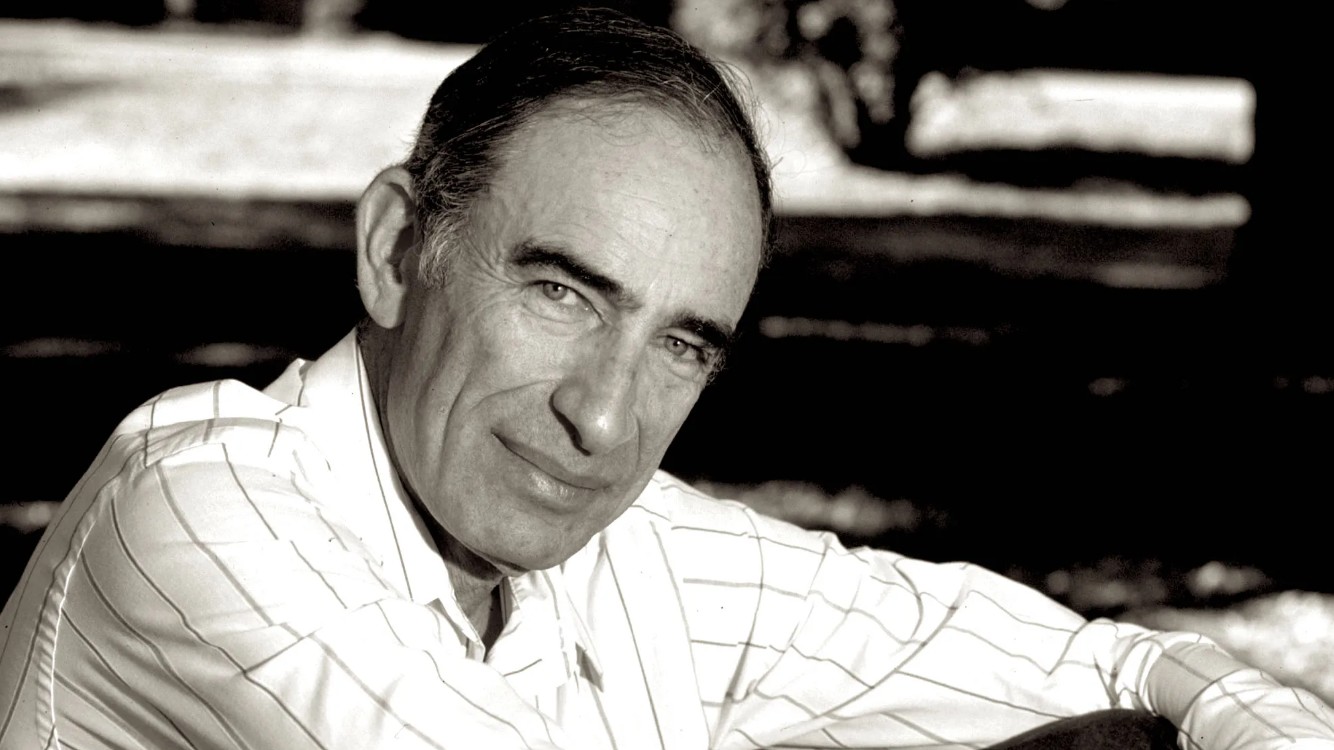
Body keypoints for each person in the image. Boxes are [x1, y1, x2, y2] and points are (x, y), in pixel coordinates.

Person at [1, 7, 1331, 750]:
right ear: (399, 248)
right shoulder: (195, 514)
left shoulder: (638, 555)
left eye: (682, 345)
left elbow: (1129, 665)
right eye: (562, 293)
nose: (602, 418)